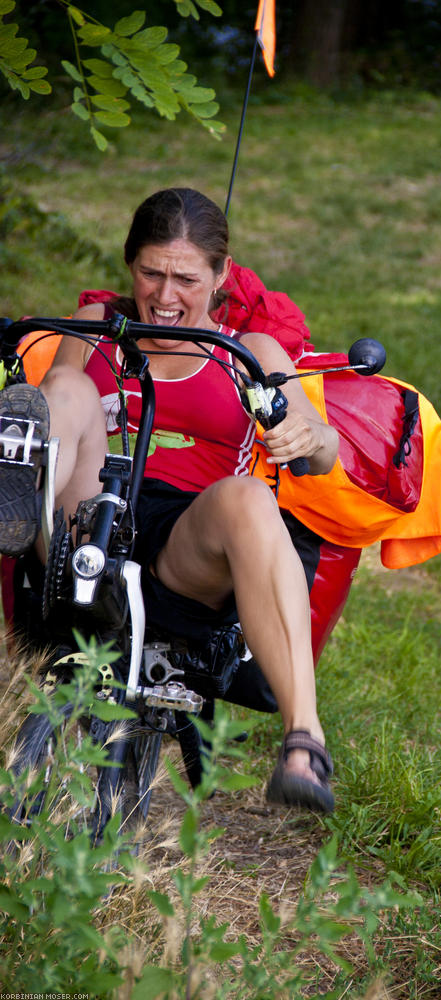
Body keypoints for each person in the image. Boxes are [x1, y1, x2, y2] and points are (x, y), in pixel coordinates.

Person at [0, 187, 339, 814]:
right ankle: (17, 482)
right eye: (151, 272)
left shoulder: (251, 353)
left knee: (246, 497)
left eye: (185, 278)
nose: (164, 294)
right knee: (69, 386)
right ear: (131, 265)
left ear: (220, 277)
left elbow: (325, 455)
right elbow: (74, 400)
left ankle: (303, 741)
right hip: (88, 522)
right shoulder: (98, 328)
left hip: (184, 546)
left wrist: (308, 434)